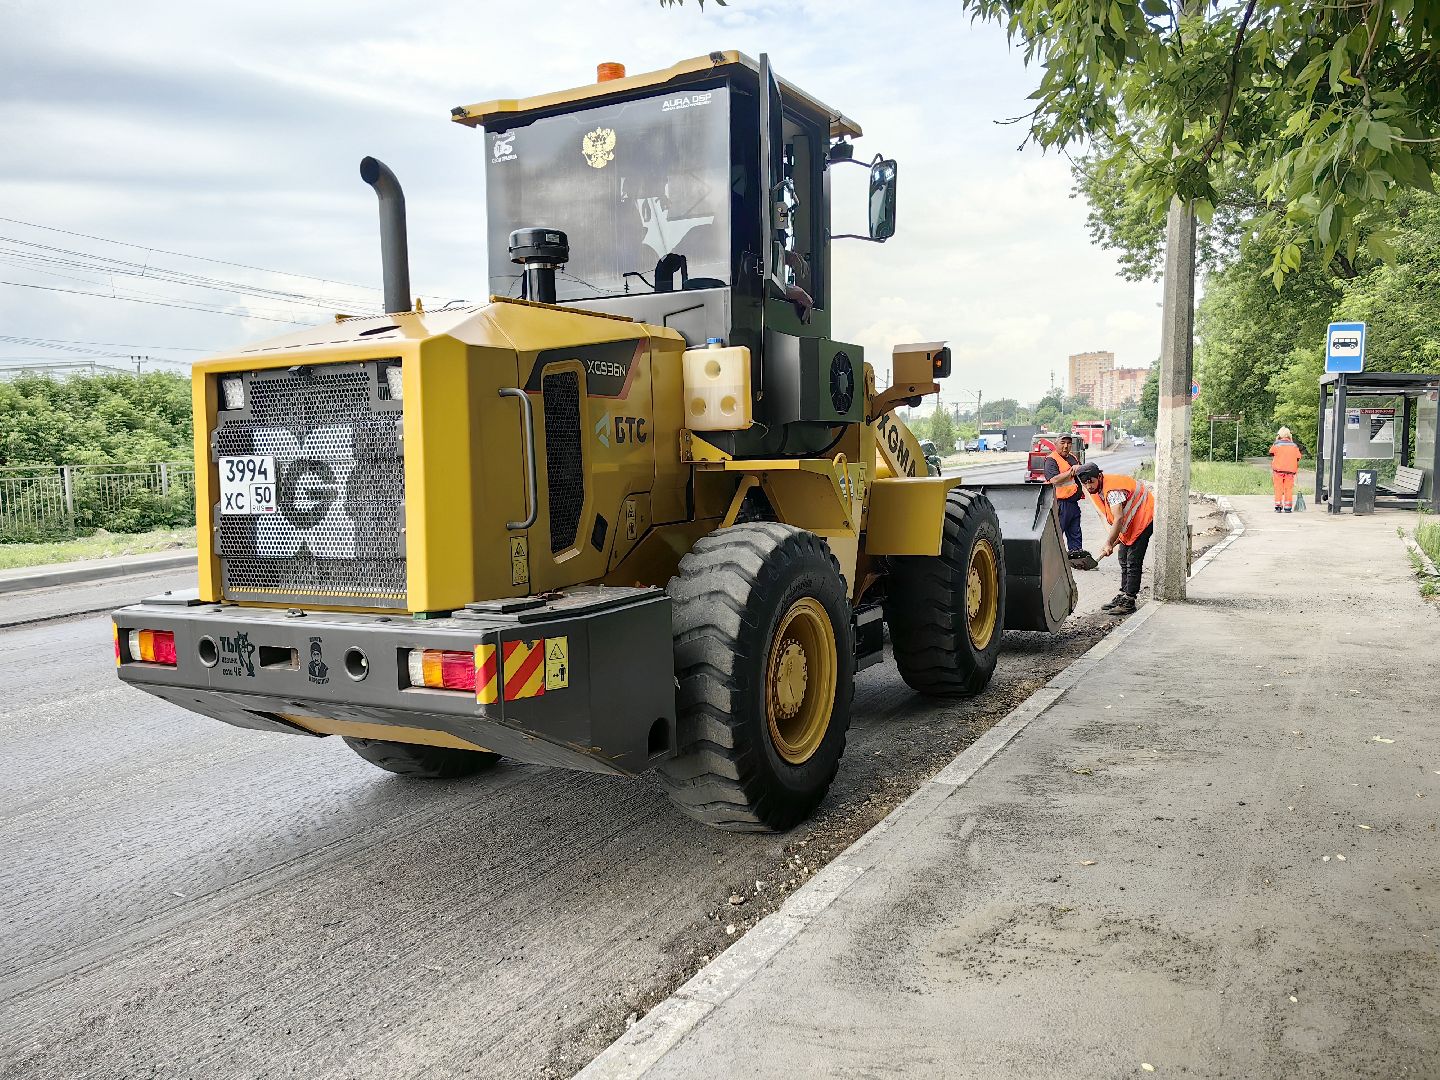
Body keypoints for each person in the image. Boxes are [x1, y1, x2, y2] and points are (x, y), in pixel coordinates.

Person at [1075, 462, 1155, 615]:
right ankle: (1124, 594)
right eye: (1085, 483)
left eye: (1090, 481)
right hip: (1131, 521)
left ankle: (1129, 601)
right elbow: (1108, 517)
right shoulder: (1097, 489)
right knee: (1123, 558)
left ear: (1099, 476)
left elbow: (1118, 518)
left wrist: (1109, 542)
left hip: (1144, 518)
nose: (1088, 486)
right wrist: (1112, 541)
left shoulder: (1112, 490)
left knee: (1133, 561)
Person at [1042, 435, 1093, 569]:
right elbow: (1053, 480)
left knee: (1075, 532)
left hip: (1073, 504)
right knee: (1057, 534)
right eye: (1063, 443)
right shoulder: (1051, 460)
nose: (1066, 446)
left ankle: (1077, 561)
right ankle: (1051, 563)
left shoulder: (1073, 458)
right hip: (1060, 504)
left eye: (1069, 443)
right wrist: (1072, 471)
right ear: (1055, 444)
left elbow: (1079, 477)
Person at [1268, 426, 1303, 513]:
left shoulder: (1277, 444)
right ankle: (1288, 507)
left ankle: (1278, 506)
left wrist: (1276, 441)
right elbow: (1298, 457)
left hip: (1278, 471)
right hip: (1290, 471)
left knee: (1278, 488)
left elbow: (1271, 452)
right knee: (1288, 489)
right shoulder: (1294, 446)